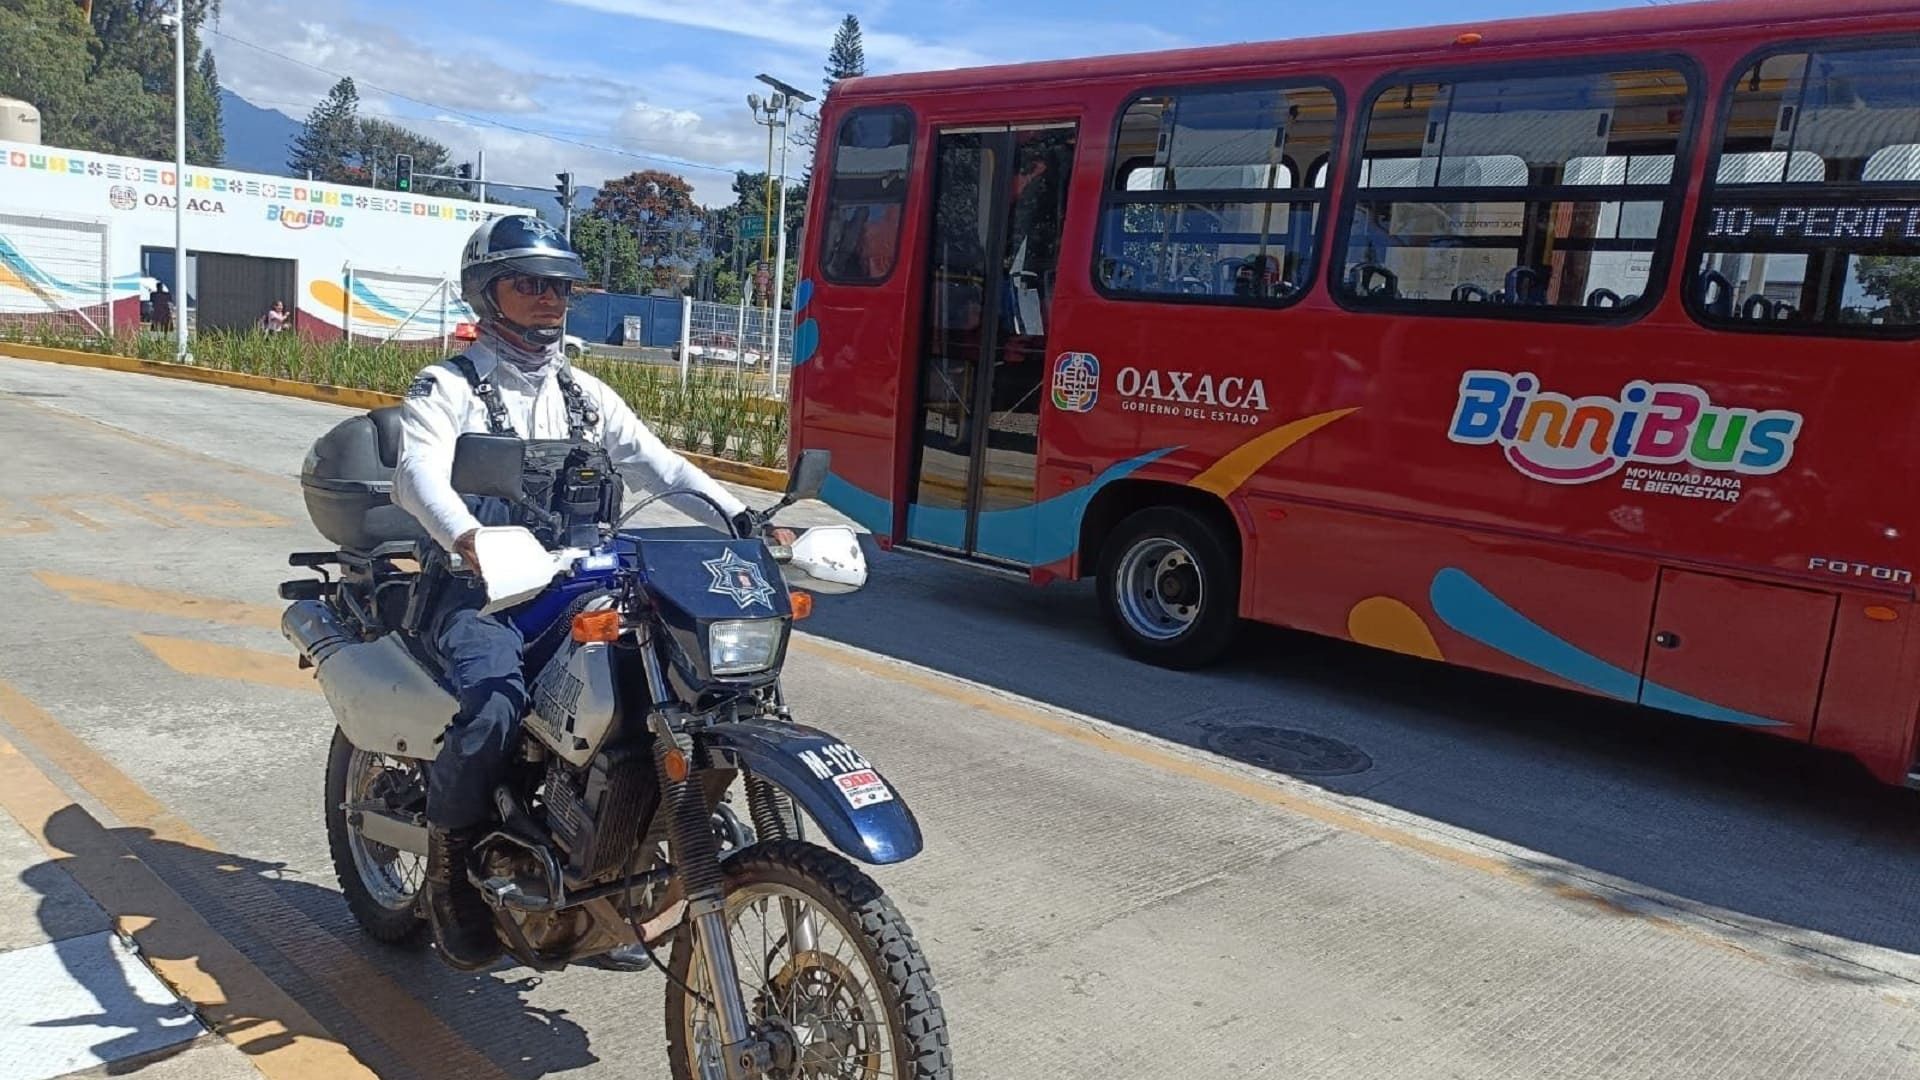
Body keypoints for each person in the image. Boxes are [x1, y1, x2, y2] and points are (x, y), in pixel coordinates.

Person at [393, 214, 784, 970]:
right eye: (529, 283)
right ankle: (450, 873)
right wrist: (468, 537)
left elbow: (662, 468)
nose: (548, 298)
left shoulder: (586, 394)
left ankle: (607, 879)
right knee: (496, 704)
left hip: (575, 586)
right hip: (481, 593)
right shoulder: (448, 386)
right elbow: (417, 477)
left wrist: (741, 517)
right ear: (488, 292)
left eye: (559, 286)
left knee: (657, 693)